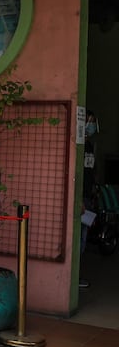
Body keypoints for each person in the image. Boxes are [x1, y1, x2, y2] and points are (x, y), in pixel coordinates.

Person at [80, 110, 99, 289]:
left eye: (93, 122)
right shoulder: (78, 146)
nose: (91, 126)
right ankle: (75, 276)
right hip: (80, 198)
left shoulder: (89, 146)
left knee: (84, 239)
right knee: (79, 239)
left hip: (88, 196)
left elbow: (90, 172)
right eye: (88, 122)